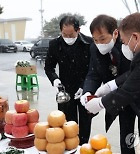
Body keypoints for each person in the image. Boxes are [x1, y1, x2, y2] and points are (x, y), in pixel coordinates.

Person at [80, 14, 137, 154]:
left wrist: (112, 85)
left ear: (115, 33)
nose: (99, 43)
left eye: (103, 39)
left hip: (138, 94)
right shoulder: (94, 48)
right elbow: (93, 73)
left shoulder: (128, 44)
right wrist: (87, 91)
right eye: (95, 40)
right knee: (126, 133)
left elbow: (135, 71)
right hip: (118, 99)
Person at [44, 15, 93, 145]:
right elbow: (49, 67)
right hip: (64, 89)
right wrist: (55, 80)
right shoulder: (55, 44)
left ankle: (83, 146)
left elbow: (93, 69)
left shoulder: (88, 43)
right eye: (64, 34)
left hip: (85, 87)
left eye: (71, 35)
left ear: (78, 30)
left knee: (85, 120)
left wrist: (85, 86)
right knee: (67, 123)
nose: (68, 38)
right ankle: (71, 146)